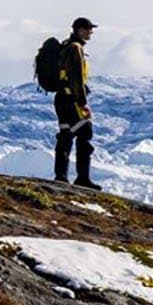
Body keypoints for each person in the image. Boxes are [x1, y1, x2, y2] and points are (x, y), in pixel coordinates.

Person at [50, 17, 97, 188]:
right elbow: (76, 78)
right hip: (72, 100)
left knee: (66, 135)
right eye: (88, 28)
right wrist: (82, 102)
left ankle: (61, 175)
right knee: (85, 133)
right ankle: (82, 178)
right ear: (80, 30)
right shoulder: (75, 48)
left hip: (61, 99)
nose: (91, 32)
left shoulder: (66, 46)